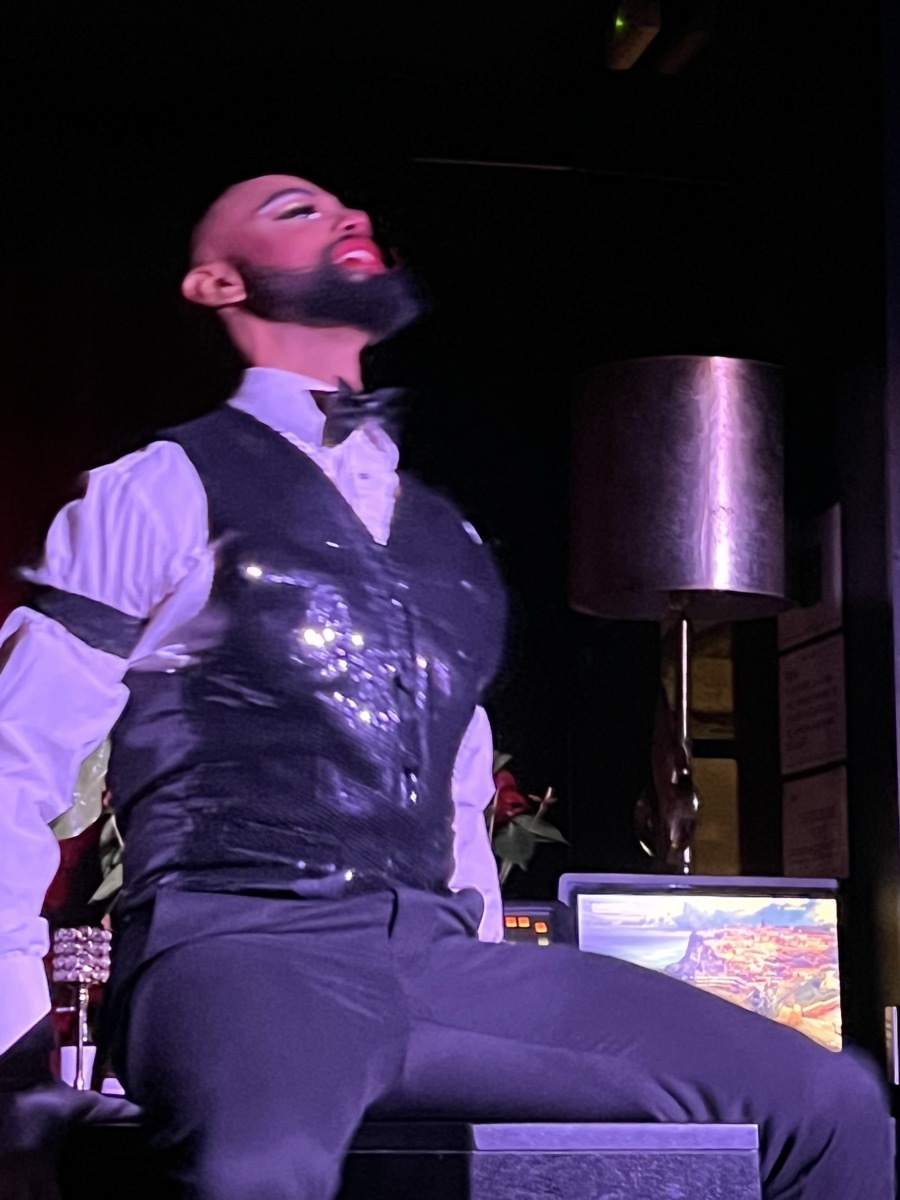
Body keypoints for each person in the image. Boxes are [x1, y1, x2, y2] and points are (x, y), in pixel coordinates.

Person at [0, 174, 894, 1200]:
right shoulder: (155, 489)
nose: (349, 219)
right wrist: (13, 1052)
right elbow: (14, 754)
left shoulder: (443, 538)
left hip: (433, 958)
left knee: (828, 1107)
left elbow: (460, 787)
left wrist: (481, 972)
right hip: (240, 945)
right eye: (296, 212)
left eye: (353, 211)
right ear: (214, 282)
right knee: (255, 1170)